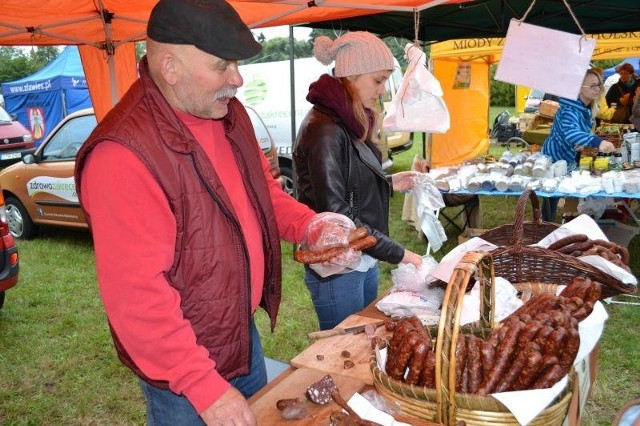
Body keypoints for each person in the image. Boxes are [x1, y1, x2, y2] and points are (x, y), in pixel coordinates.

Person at [73, 1, 354, 424]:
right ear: (169, 67)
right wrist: (202, 385)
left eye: (236, 63)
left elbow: (263, 193)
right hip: (183, 370)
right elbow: (137, 295)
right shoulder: (122, 155)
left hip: (240, 337)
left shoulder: (227, 113)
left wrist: (309, 225)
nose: (237, 79)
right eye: (222, 65)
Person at [293, 32, 424, 331]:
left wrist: (388, 182)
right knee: (345, 348)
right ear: (351, 76)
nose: (381, 91)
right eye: (377, 80)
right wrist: (399, 253)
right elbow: (338, 218)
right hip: (338, 268)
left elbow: (349, 182)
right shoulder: (325, 130)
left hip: (362, 259)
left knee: (365, 338)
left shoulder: (348, 118)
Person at [540, 67, 616, 222]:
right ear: (580, 88)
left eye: (598, 85)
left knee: (556, 194)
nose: (598, 89)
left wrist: (581, 143)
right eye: (593, 85)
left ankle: (553, 224)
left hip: (567, 157)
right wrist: (597, 142)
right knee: (551, 195)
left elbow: (574, 133)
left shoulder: (582, 108)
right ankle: (544, 227)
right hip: (554, 158)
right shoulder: (570, 110)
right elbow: (571, 133)